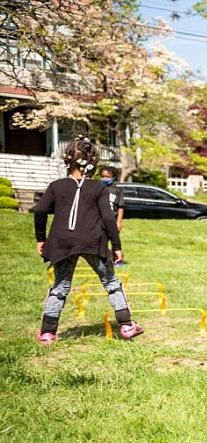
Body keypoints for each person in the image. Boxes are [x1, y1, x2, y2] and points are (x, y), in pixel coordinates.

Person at [34, 135, 143, 345]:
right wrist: (117, 246)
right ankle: (127, 325)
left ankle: (48, 333)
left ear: (68, 160)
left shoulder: (57, 186)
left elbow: (40, 210)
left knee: (60, 286)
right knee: (111, 282)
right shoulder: (99, 188)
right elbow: (108, 218)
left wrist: (41, 239)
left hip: (62, 242)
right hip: (93, 242)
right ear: (93, 162)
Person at [99, 166, 126, 266]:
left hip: (112, 220)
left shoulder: (117, 191)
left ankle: (118, 260)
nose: (105, 178)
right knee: (102, 241)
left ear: (113, 177)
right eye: (103, 176)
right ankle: (104, 260)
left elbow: (120, 207)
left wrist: (119, 222)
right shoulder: (98, 188)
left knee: (115, 241)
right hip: (100, 220)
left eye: (107, 176)